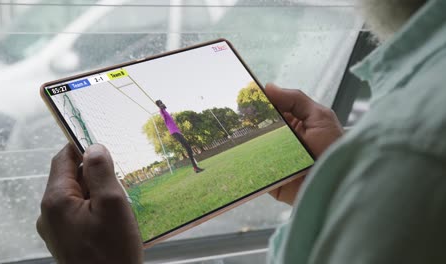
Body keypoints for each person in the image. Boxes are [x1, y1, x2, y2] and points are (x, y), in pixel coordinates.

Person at [37, 0, 446, 263]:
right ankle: (192, 164)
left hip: (181, 137)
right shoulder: (410, 135)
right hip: (177, 137)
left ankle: (193, 164)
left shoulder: (409, 152)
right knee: (187, 153)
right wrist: (330, 188)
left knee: (190, 152)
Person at [154, 99, 204, 173]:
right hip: (174, 132)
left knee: (189, 148)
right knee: (188, 148)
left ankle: (195, 167)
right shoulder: (162, 112)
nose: (162, 103)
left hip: (177, 131)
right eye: (160, 103)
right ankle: (195, 167)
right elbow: (163, 114)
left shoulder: (166, 111)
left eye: (162, 102)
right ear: (158, 105)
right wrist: (161, 107)